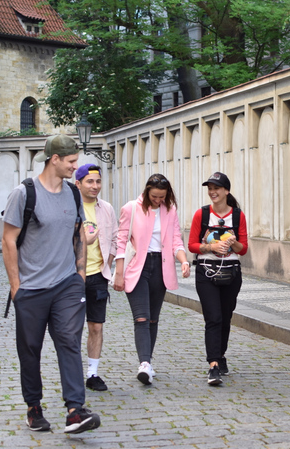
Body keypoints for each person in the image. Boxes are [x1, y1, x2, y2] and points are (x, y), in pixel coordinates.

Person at [1, 134, 101, 434]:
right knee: (30, 350)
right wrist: (16, 287)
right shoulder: (24, 194)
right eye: (71, 161)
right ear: (54, 159)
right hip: (31, 288)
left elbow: (79, 234)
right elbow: (8, 240)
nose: (75, 166)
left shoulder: (73, 194)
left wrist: (79, 275)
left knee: (69, 342)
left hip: (67, 285)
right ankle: (34, 408)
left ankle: (74, 410)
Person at [113, 173, 190, 384]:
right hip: (138, 267)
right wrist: (119, 273)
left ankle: (148, 361)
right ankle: (144, 364)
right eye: (155, 196)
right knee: (141, 318)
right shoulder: (131, 208)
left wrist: (183, 261)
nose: (158, 200)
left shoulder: (170, 210)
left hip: (161, 268)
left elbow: (176, 240)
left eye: (162, 197)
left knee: (153, 319)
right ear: (147, 191)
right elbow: (120, 242)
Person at [188, 172, 248, 386]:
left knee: (225, 317)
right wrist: (211, 247)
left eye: (217, 188)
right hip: (206, 271)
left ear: (226, 191)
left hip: (231, 272)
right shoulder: (201, 215)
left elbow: (243, 250)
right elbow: (192, 245)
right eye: (210, 188)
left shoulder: (238, 216)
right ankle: (213, 365)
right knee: (213, 317)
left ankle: (220, 355)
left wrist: (233, 242)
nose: (212, 192)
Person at [75, 164, 118, 392]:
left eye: (98, 181)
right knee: (71, 328)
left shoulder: (107, 208)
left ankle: (93, 374)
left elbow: (114, 239)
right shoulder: (70, 207)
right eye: (90, 181)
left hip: (98, 276)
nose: (95, 186)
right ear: (78, 183)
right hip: (72, 277)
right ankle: (72, 374)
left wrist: (108, 264)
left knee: (96, 326)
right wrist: (83, 241)